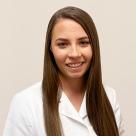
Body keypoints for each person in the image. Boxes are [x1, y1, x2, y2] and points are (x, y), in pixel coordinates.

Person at [3, 6, 124, 136]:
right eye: (62, 44)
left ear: (94, 46)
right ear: (51, 48)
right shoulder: (25, 103)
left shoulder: (110, 97)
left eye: (83, 42)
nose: (75, 53)